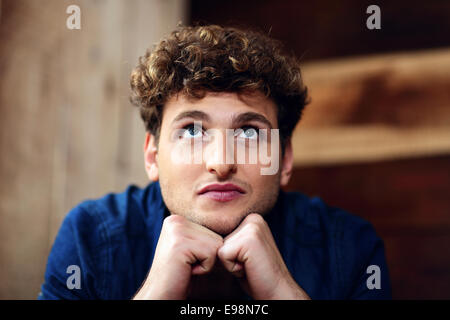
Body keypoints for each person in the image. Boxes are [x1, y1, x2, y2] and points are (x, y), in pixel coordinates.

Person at [38, 24, 391, 300]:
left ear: (284, 159)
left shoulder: (351, 247)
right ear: (152, 155)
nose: (221, 163)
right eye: (191, 131)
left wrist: (282, 292)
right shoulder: (88, 237)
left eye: (250, 133)